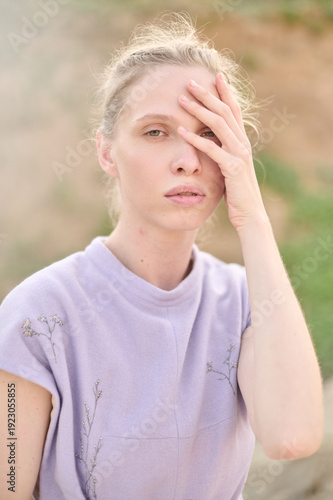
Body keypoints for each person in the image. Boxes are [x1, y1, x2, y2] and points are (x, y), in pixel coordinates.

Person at [0, 12, 323, 500]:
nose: (187, 159)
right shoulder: (37, 315)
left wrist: (253, 218)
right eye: (155, 132)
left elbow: (292, 436)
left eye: (209, 134)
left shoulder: (241, 299)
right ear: (107, 152)